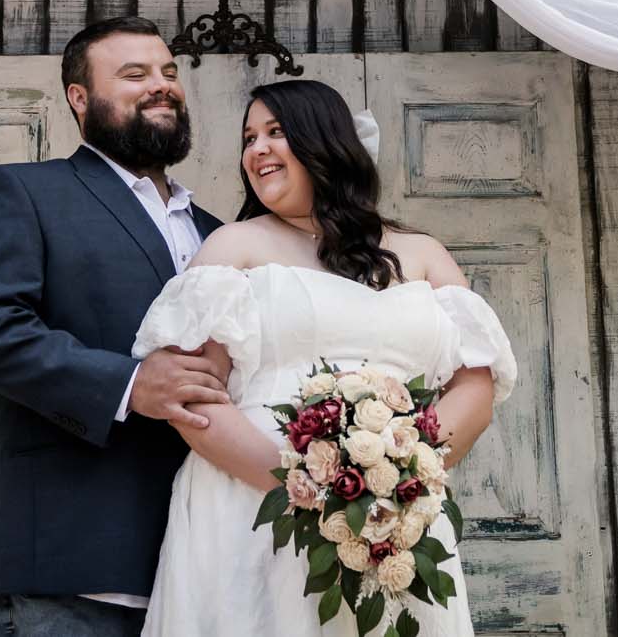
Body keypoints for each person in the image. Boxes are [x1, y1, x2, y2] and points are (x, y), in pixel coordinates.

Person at [130, 77, 516, 636]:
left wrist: (399, 476)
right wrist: (304, 489)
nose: (256, 149)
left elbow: (476, 385)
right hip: (251, 506)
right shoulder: (234, 247)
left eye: (276, 132)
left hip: (391, 520)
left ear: (324, 141)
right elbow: (194, 394)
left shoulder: (423, 253)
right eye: (249, 138)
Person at [0, 16, 232, 637]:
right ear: (80, 97)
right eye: (135, 74)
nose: (161, 86)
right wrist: (130, 386)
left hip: (204, 569)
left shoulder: (220, 232)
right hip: (66, 567)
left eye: (169, 73)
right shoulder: (24, 190)